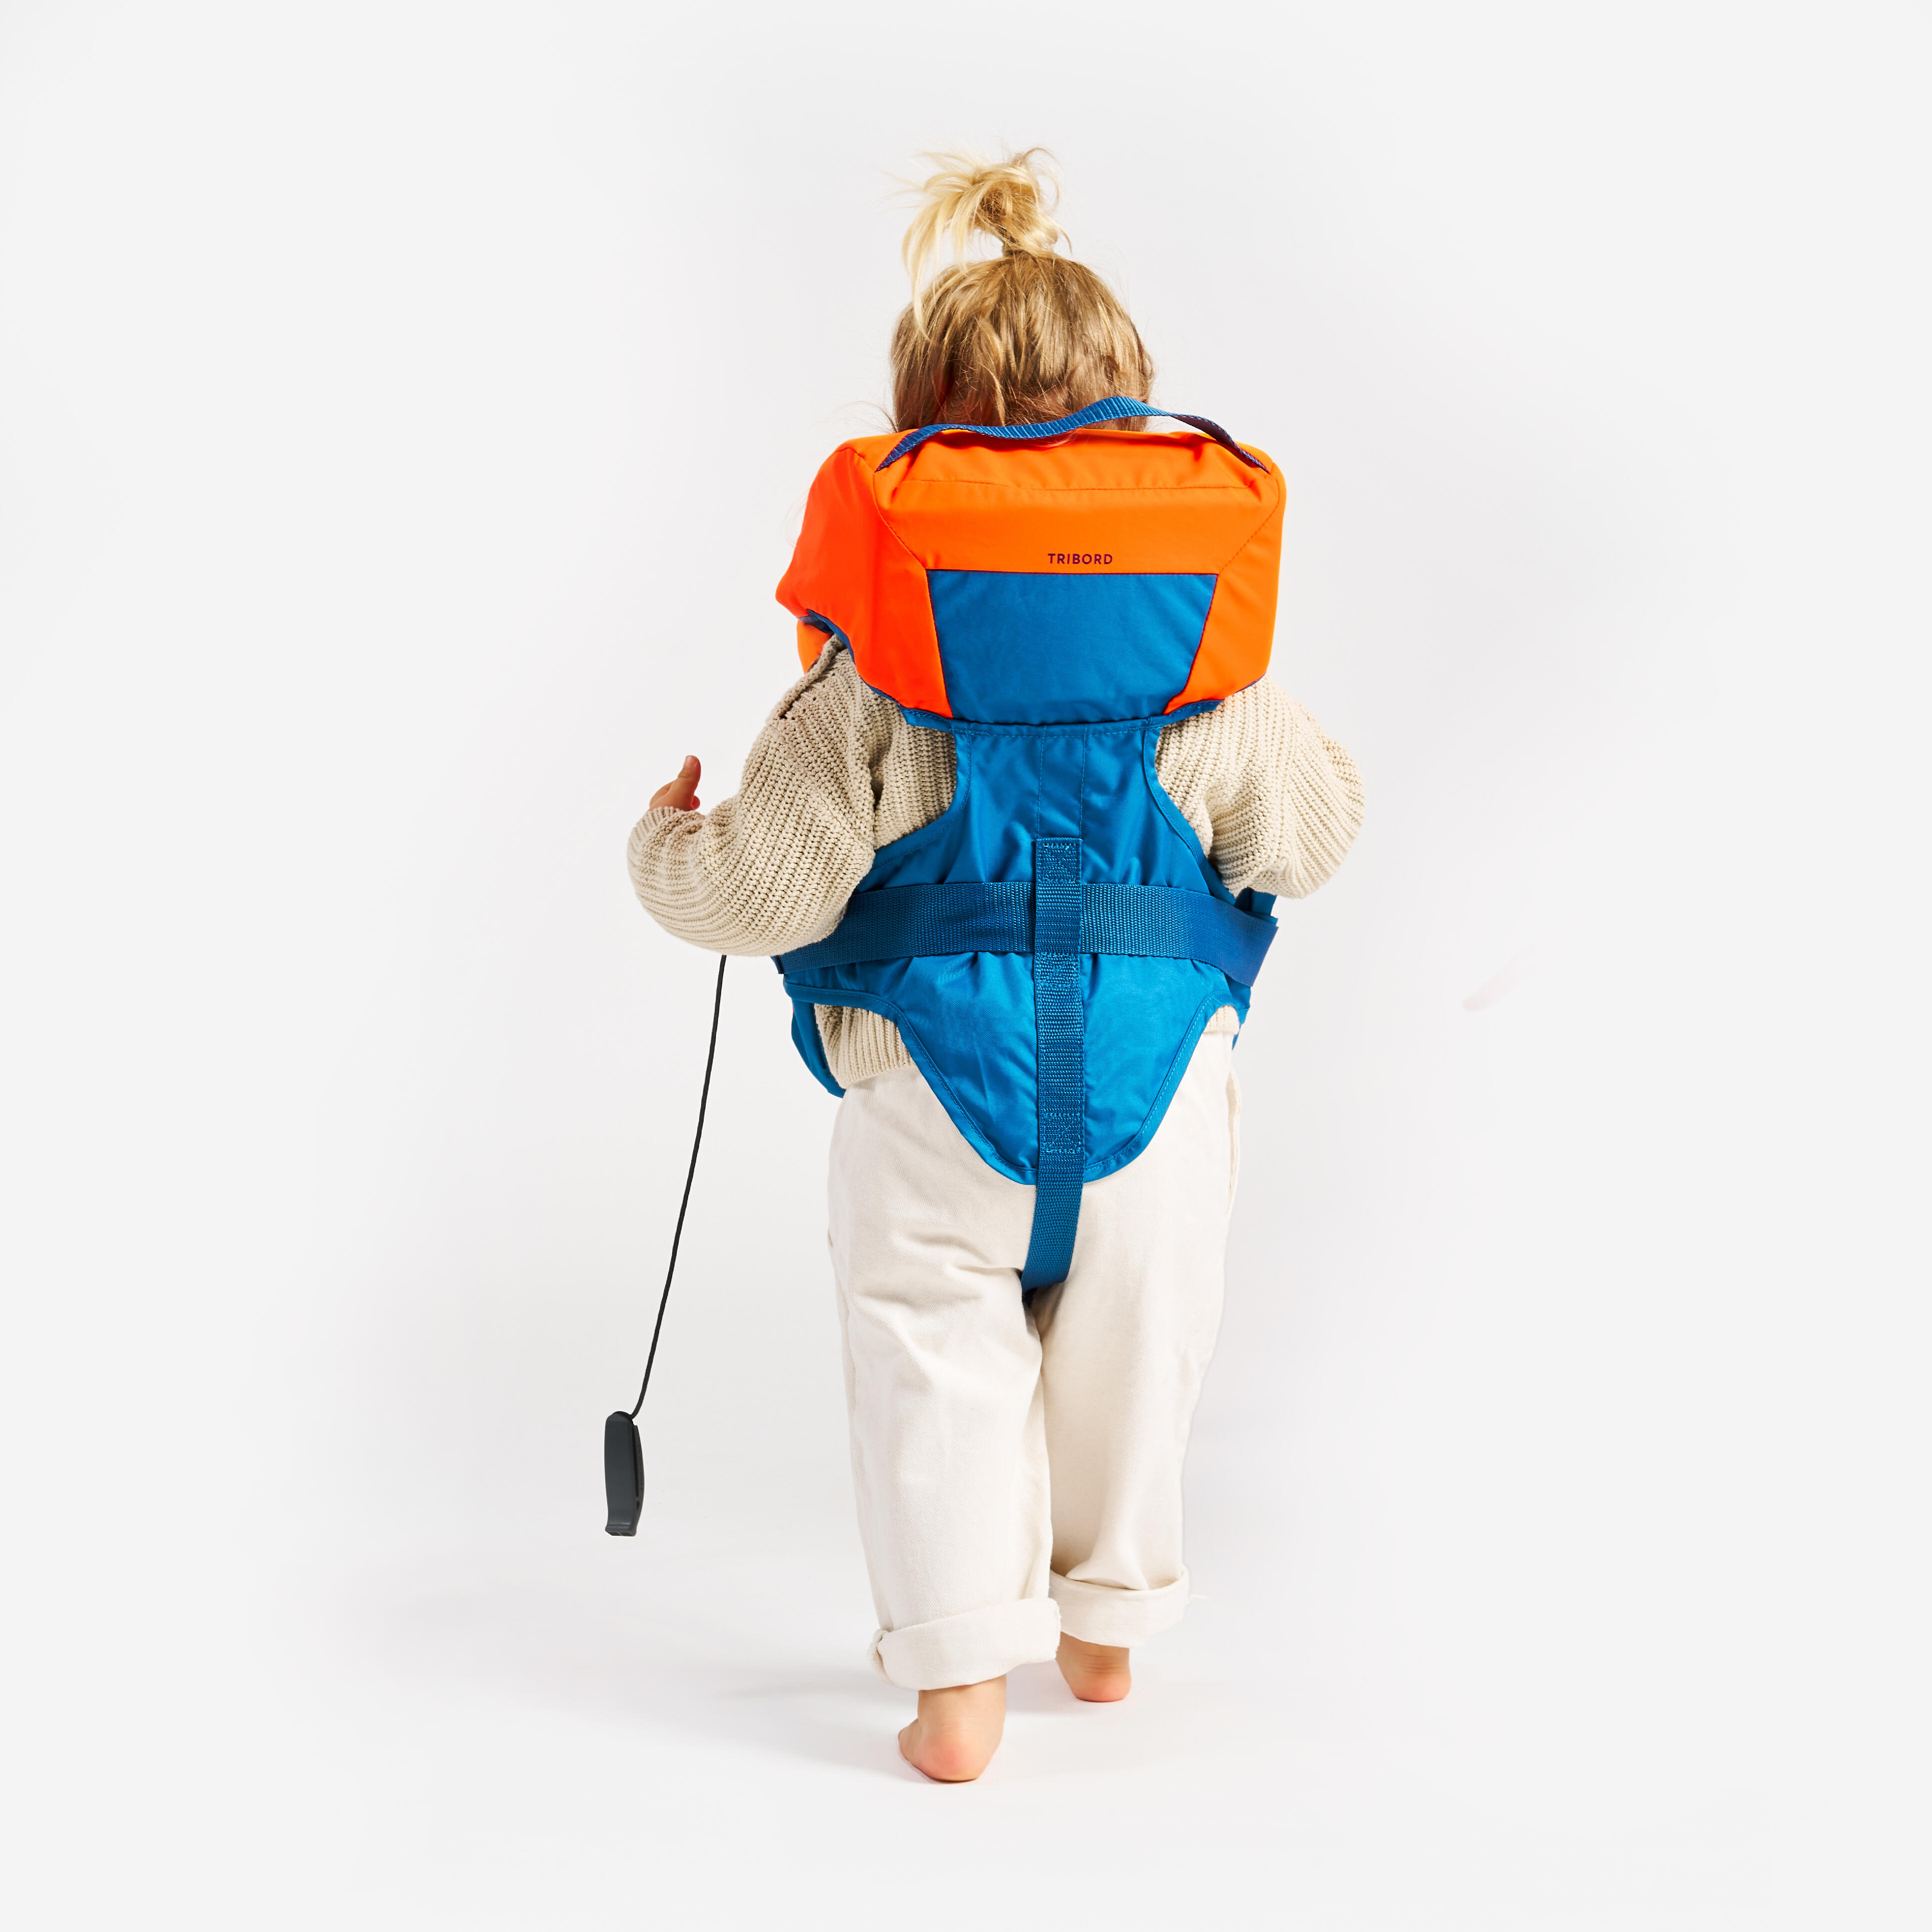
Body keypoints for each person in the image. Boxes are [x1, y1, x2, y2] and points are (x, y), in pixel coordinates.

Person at [628, 150, 1364, 1782]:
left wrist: (661, 840)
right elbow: (1307, 841)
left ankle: (957, 1685)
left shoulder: (869, 680)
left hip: (927, 1102)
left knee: (932, 1369)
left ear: (925, 436)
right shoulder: (1211, 673)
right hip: (1157, 1105)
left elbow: (750, 892)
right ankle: (1106, 1629)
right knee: (1136, 1357)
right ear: (1133, 425)